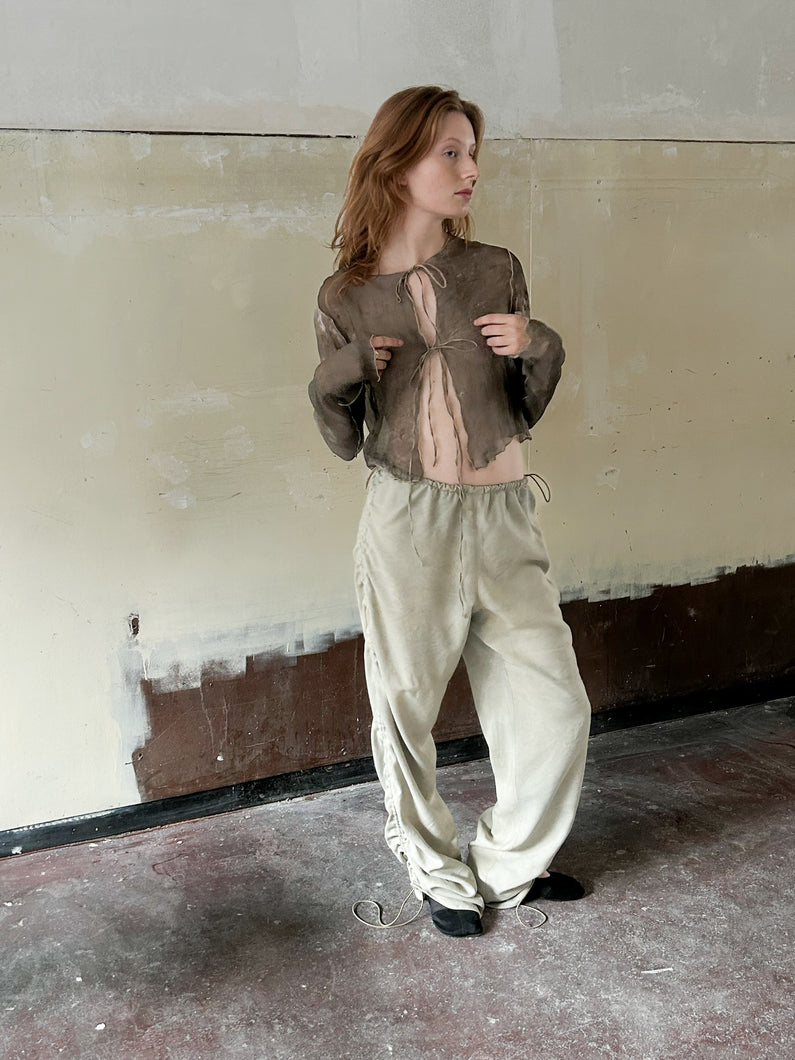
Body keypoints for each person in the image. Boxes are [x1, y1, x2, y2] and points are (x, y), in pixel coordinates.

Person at [308, 86, 591, 938]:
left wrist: (539, 345)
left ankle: (507, 866)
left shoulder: (494, 267)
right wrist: (339, 373)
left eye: (472, 152)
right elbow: (340, 437)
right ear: (397, 164)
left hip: (503, 514)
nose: (470, 170)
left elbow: (523, 405)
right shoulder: (344, 295)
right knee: (403, 704)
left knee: (553, 704)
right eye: (450, 153)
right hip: (408, 521)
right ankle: (436, 873)